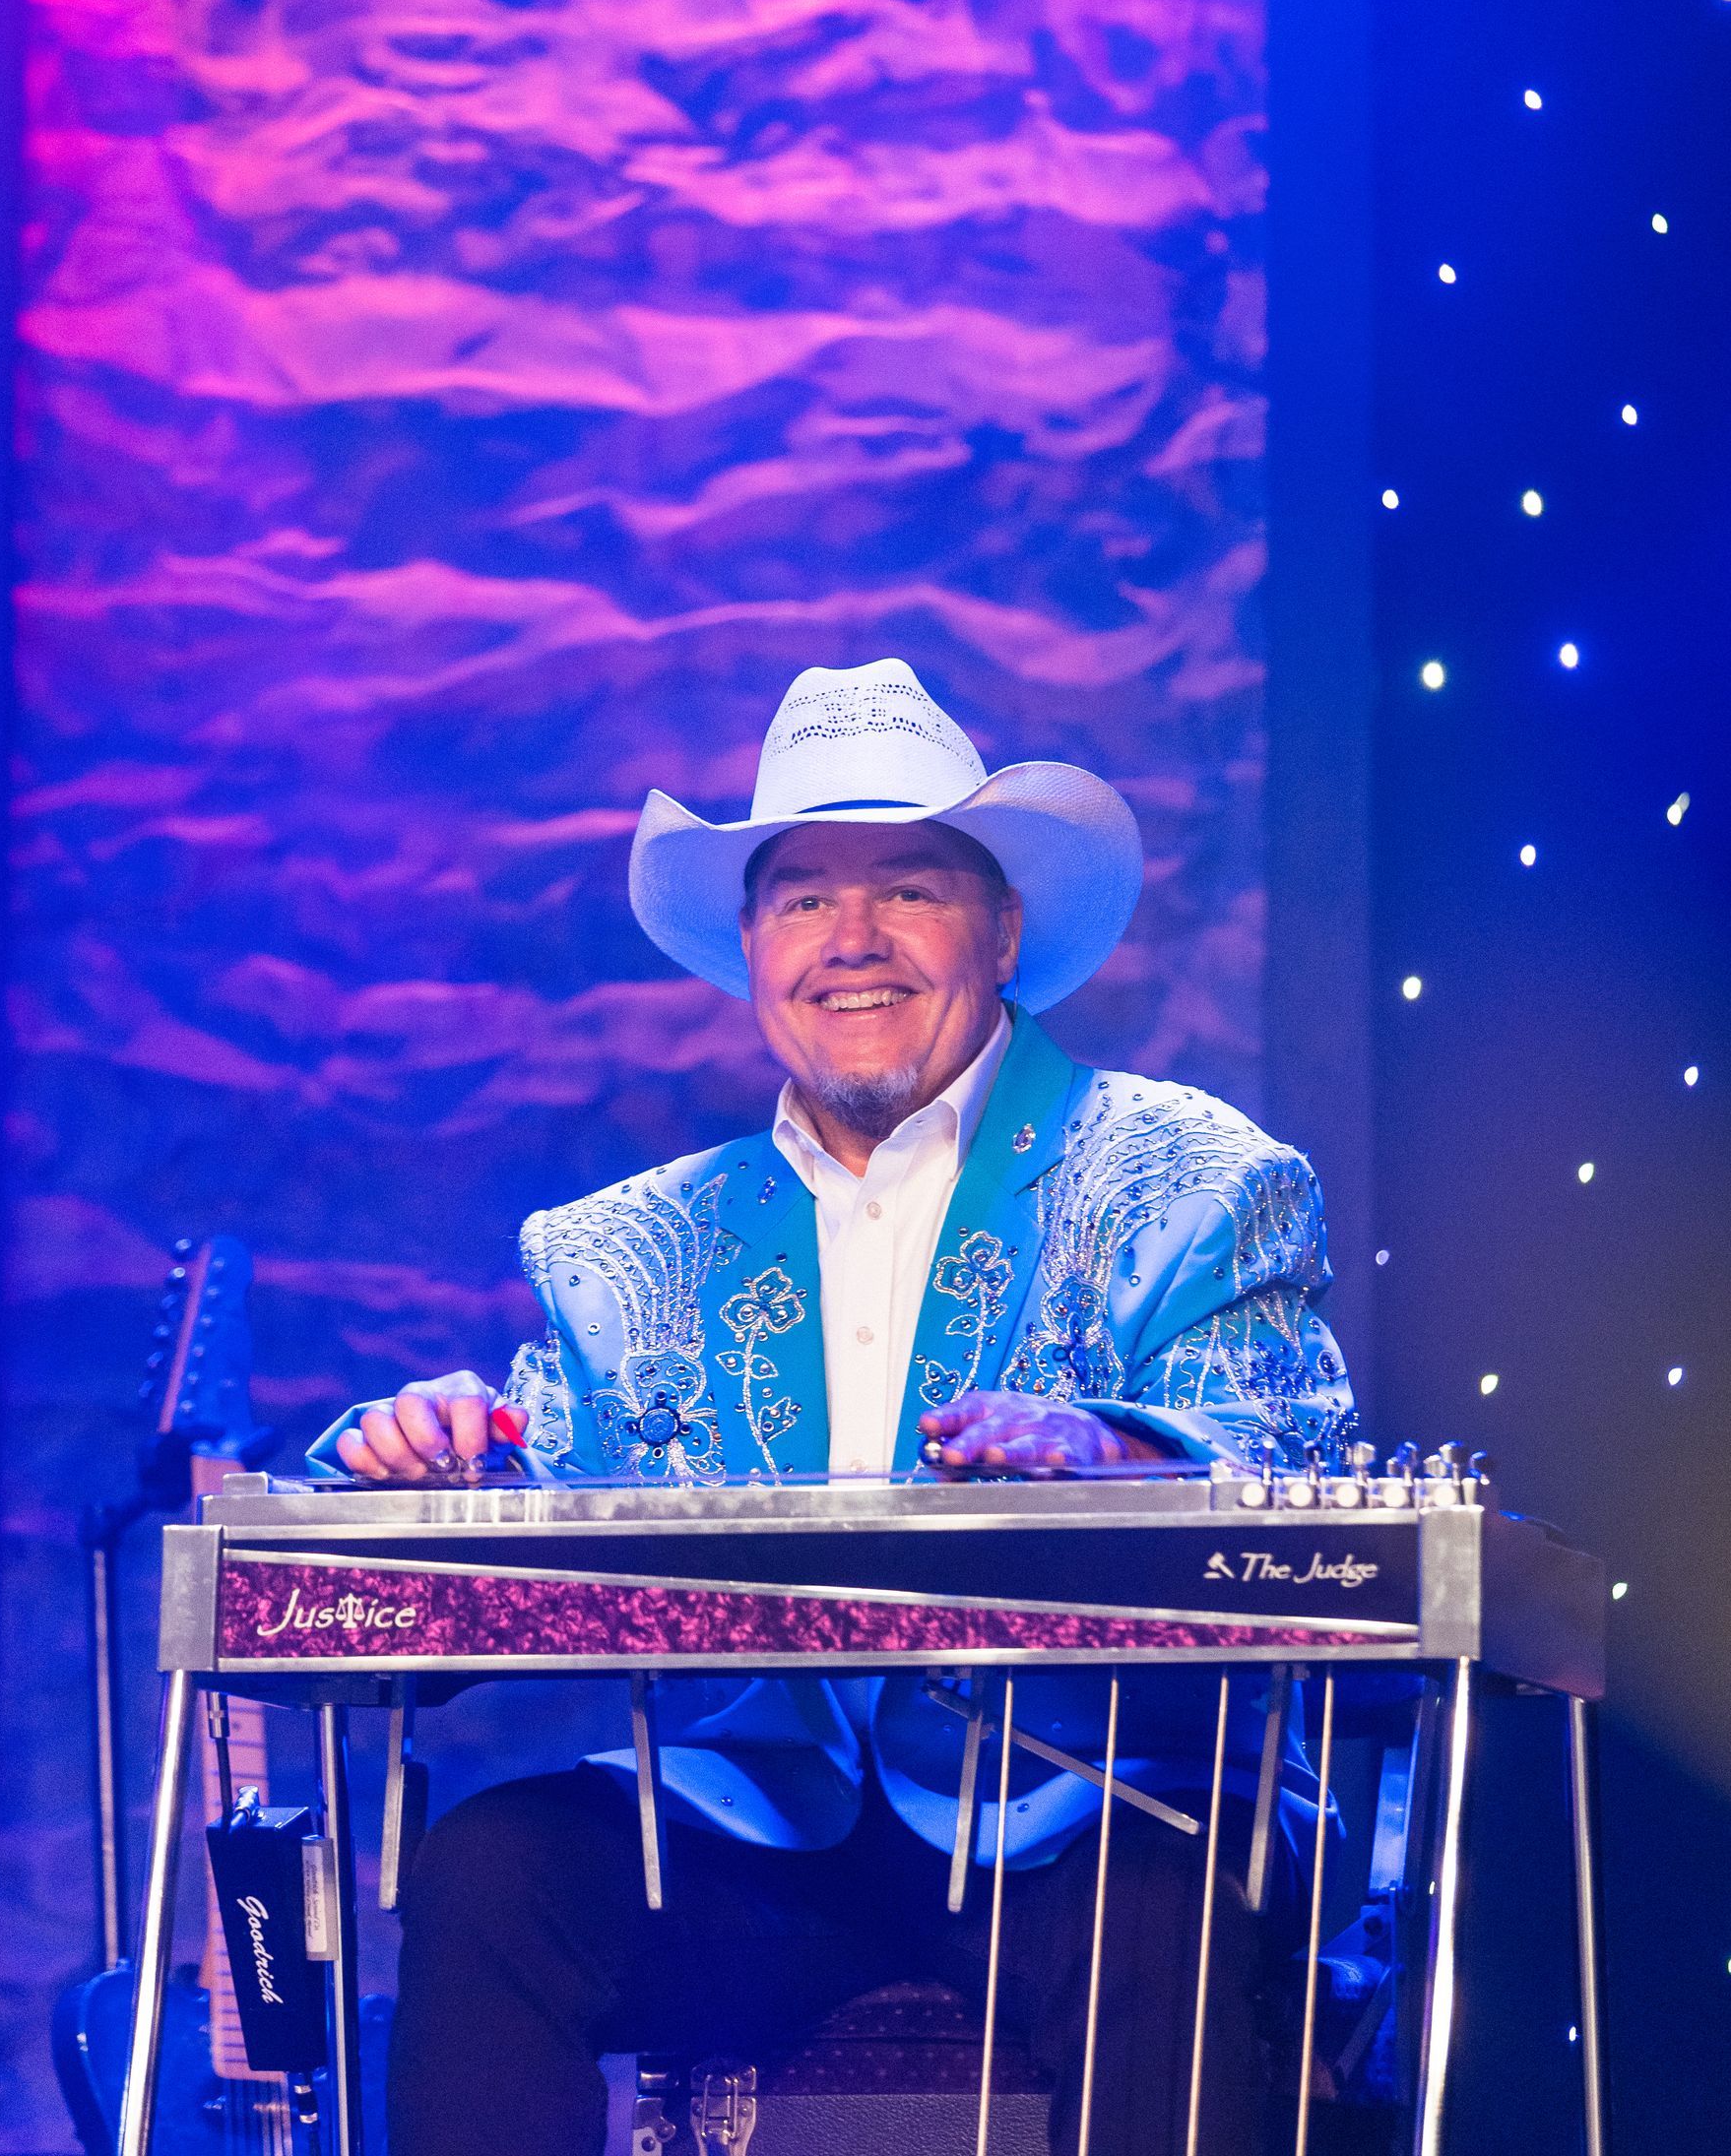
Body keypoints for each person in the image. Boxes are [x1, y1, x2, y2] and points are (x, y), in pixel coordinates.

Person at [312, 660, 1355, 2155]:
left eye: (910, 889)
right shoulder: (628, 1249)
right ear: (752, 950)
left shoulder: (1191, 1181)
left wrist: (1118, 1454)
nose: (852, 939)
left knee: (1164, 1909)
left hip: (1093, 1817)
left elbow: (1293, 1448)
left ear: (1003, 931)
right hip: (761, 1822)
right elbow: (526, 1475)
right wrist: (412, 1461)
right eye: (803, 898)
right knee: (495, 1871)